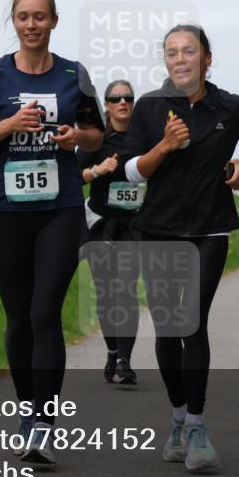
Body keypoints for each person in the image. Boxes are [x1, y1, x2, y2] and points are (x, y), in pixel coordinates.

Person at [122, 24, 239, 472]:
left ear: (206, 58)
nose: (180, 59)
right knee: (167, 328)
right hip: (157, 230)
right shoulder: (150, 107)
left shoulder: (229, 106)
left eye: (188, 51)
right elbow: (132, 172)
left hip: (209, 230)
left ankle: (196, 425)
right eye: (172, 52)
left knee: (192, 323)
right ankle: (177, 419)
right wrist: (164, 146)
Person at [0, 0, 105, 465]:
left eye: (40, 16)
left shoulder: (74, 74)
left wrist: (75, 137)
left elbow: (97, 134)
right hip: (8, 213)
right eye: (23, 16)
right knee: (19, 318)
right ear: (14, 22)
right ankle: (27, 410)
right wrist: (9, 125)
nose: (31, 24)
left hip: (61, 210)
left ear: (54, 21)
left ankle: (44, 423)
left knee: (45, 314)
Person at [77, 80, 141, 386]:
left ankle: (124, 362)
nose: (122, 102)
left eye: (128, 97)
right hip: (101, 223)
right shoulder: (95, 141)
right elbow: (71, 177)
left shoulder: (145, 138)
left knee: (126, 288)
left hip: (133, 225)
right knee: (106, 292)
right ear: (106, 105)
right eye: (116, 98)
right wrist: (96, 171)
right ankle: (113, 352)